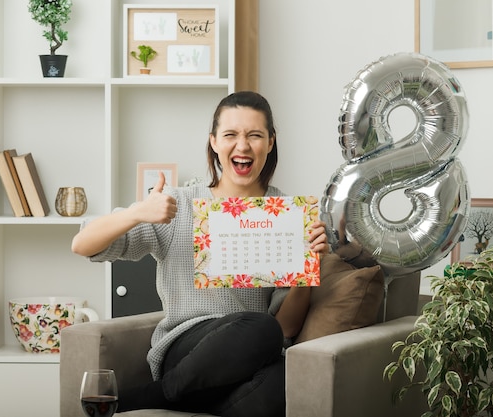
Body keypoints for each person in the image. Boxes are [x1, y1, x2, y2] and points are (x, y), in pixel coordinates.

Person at [71, 91, 328, 417]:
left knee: (283, 370)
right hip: (187, 350)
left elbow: (287, 327)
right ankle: (161, 392)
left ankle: (160, 398)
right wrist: (138, 212)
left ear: (271, 142)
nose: (243, 146)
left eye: (255, 136)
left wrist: (309, 268)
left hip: (247, 359)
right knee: (261, 328)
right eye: (231, 135)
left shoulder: (286, 215)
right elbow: (82, 245)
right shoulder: (178, 205)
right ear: (214, 142)